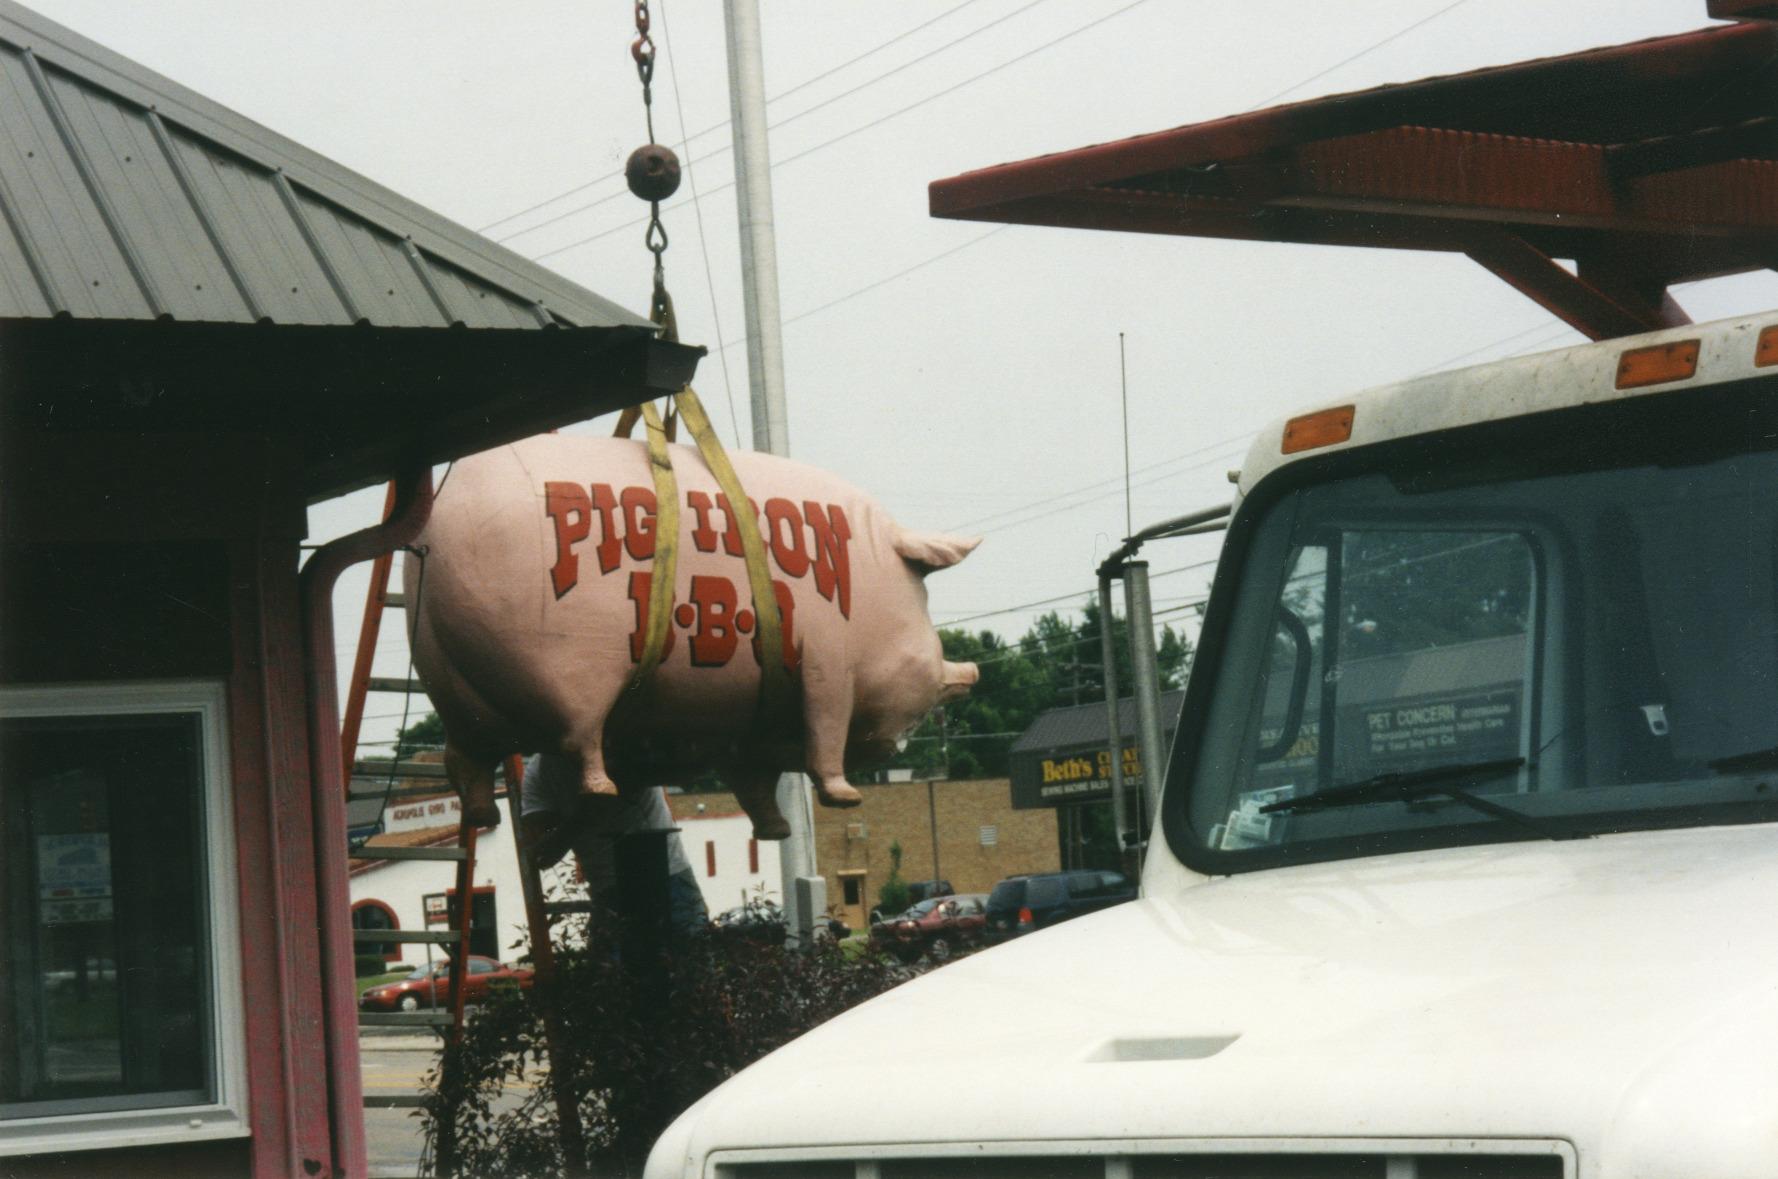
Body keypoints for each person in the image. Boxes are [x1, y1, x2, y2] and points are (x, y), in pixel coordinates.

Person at [518, 754, 708, 932]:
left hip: (670, 876)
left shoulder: (625, 742)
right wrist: (587, 812)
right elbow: (540, 855)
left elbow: (684, 772)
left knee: (693, 948)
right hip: (609, 889)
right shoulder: (539, 772)